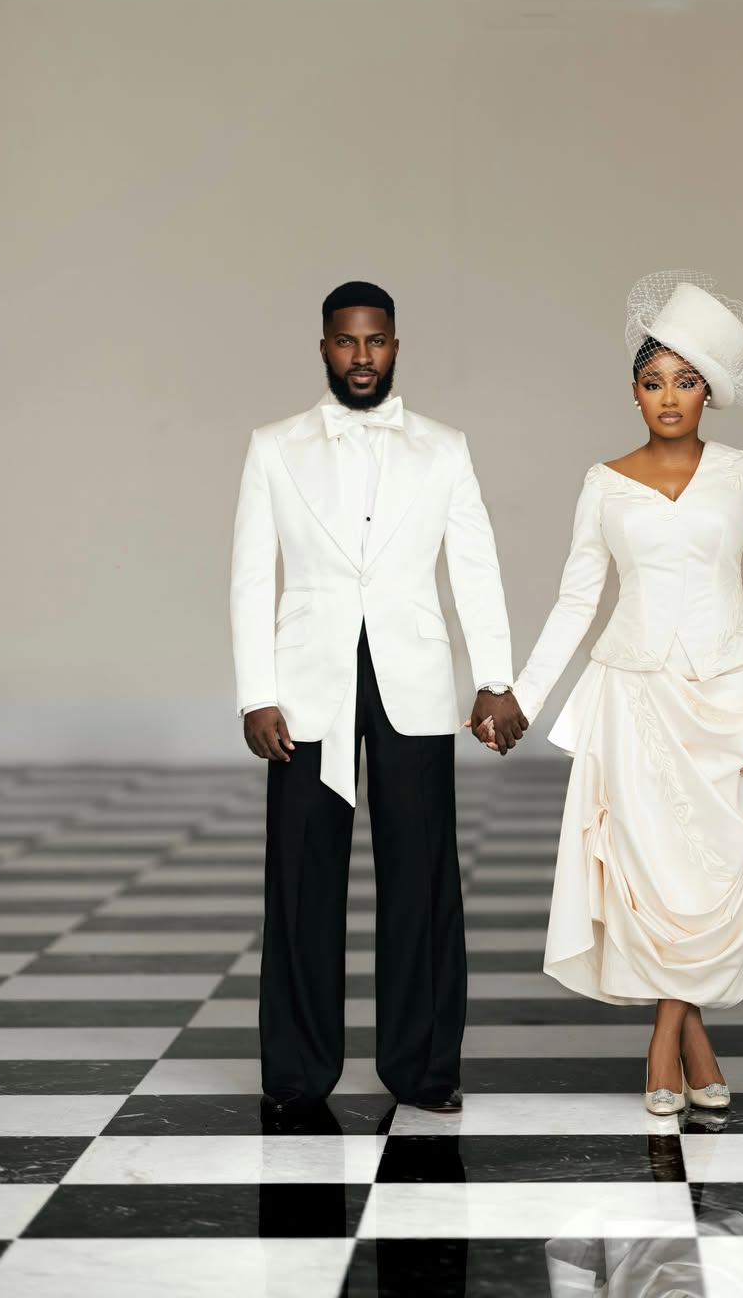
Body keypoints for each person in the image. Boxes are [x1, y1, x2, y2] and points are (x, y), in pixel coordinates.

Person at [497, 270, 743, 1115]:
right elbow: (578, 599)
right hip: (635, 697)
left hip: (733, 697)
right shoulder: (603, 483)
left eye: (686, 382)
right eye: (654, 382)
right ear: (634, 393)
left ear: (709, 395)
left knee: (716, 871)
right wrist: (519, 694)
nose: (669, 397)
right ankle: (681, 1037)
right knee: (653, 873)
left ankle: (669, 1033)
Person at [230, 279, 527, 1130]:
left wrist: (495, 678)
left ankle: (424, 1067)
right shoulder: (273, 446)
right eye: (346, 341)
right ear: (323, 346)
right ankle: (295, 1069)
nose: (362, 357)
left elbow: (475, 566)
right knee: (300, 874)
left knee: (422, 873)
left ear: (397, 345)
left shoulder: (444, 447)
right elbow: (253, 576)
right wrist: (257, 692)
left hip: (414, 680)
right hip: (306, 684)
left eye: (377, 341)